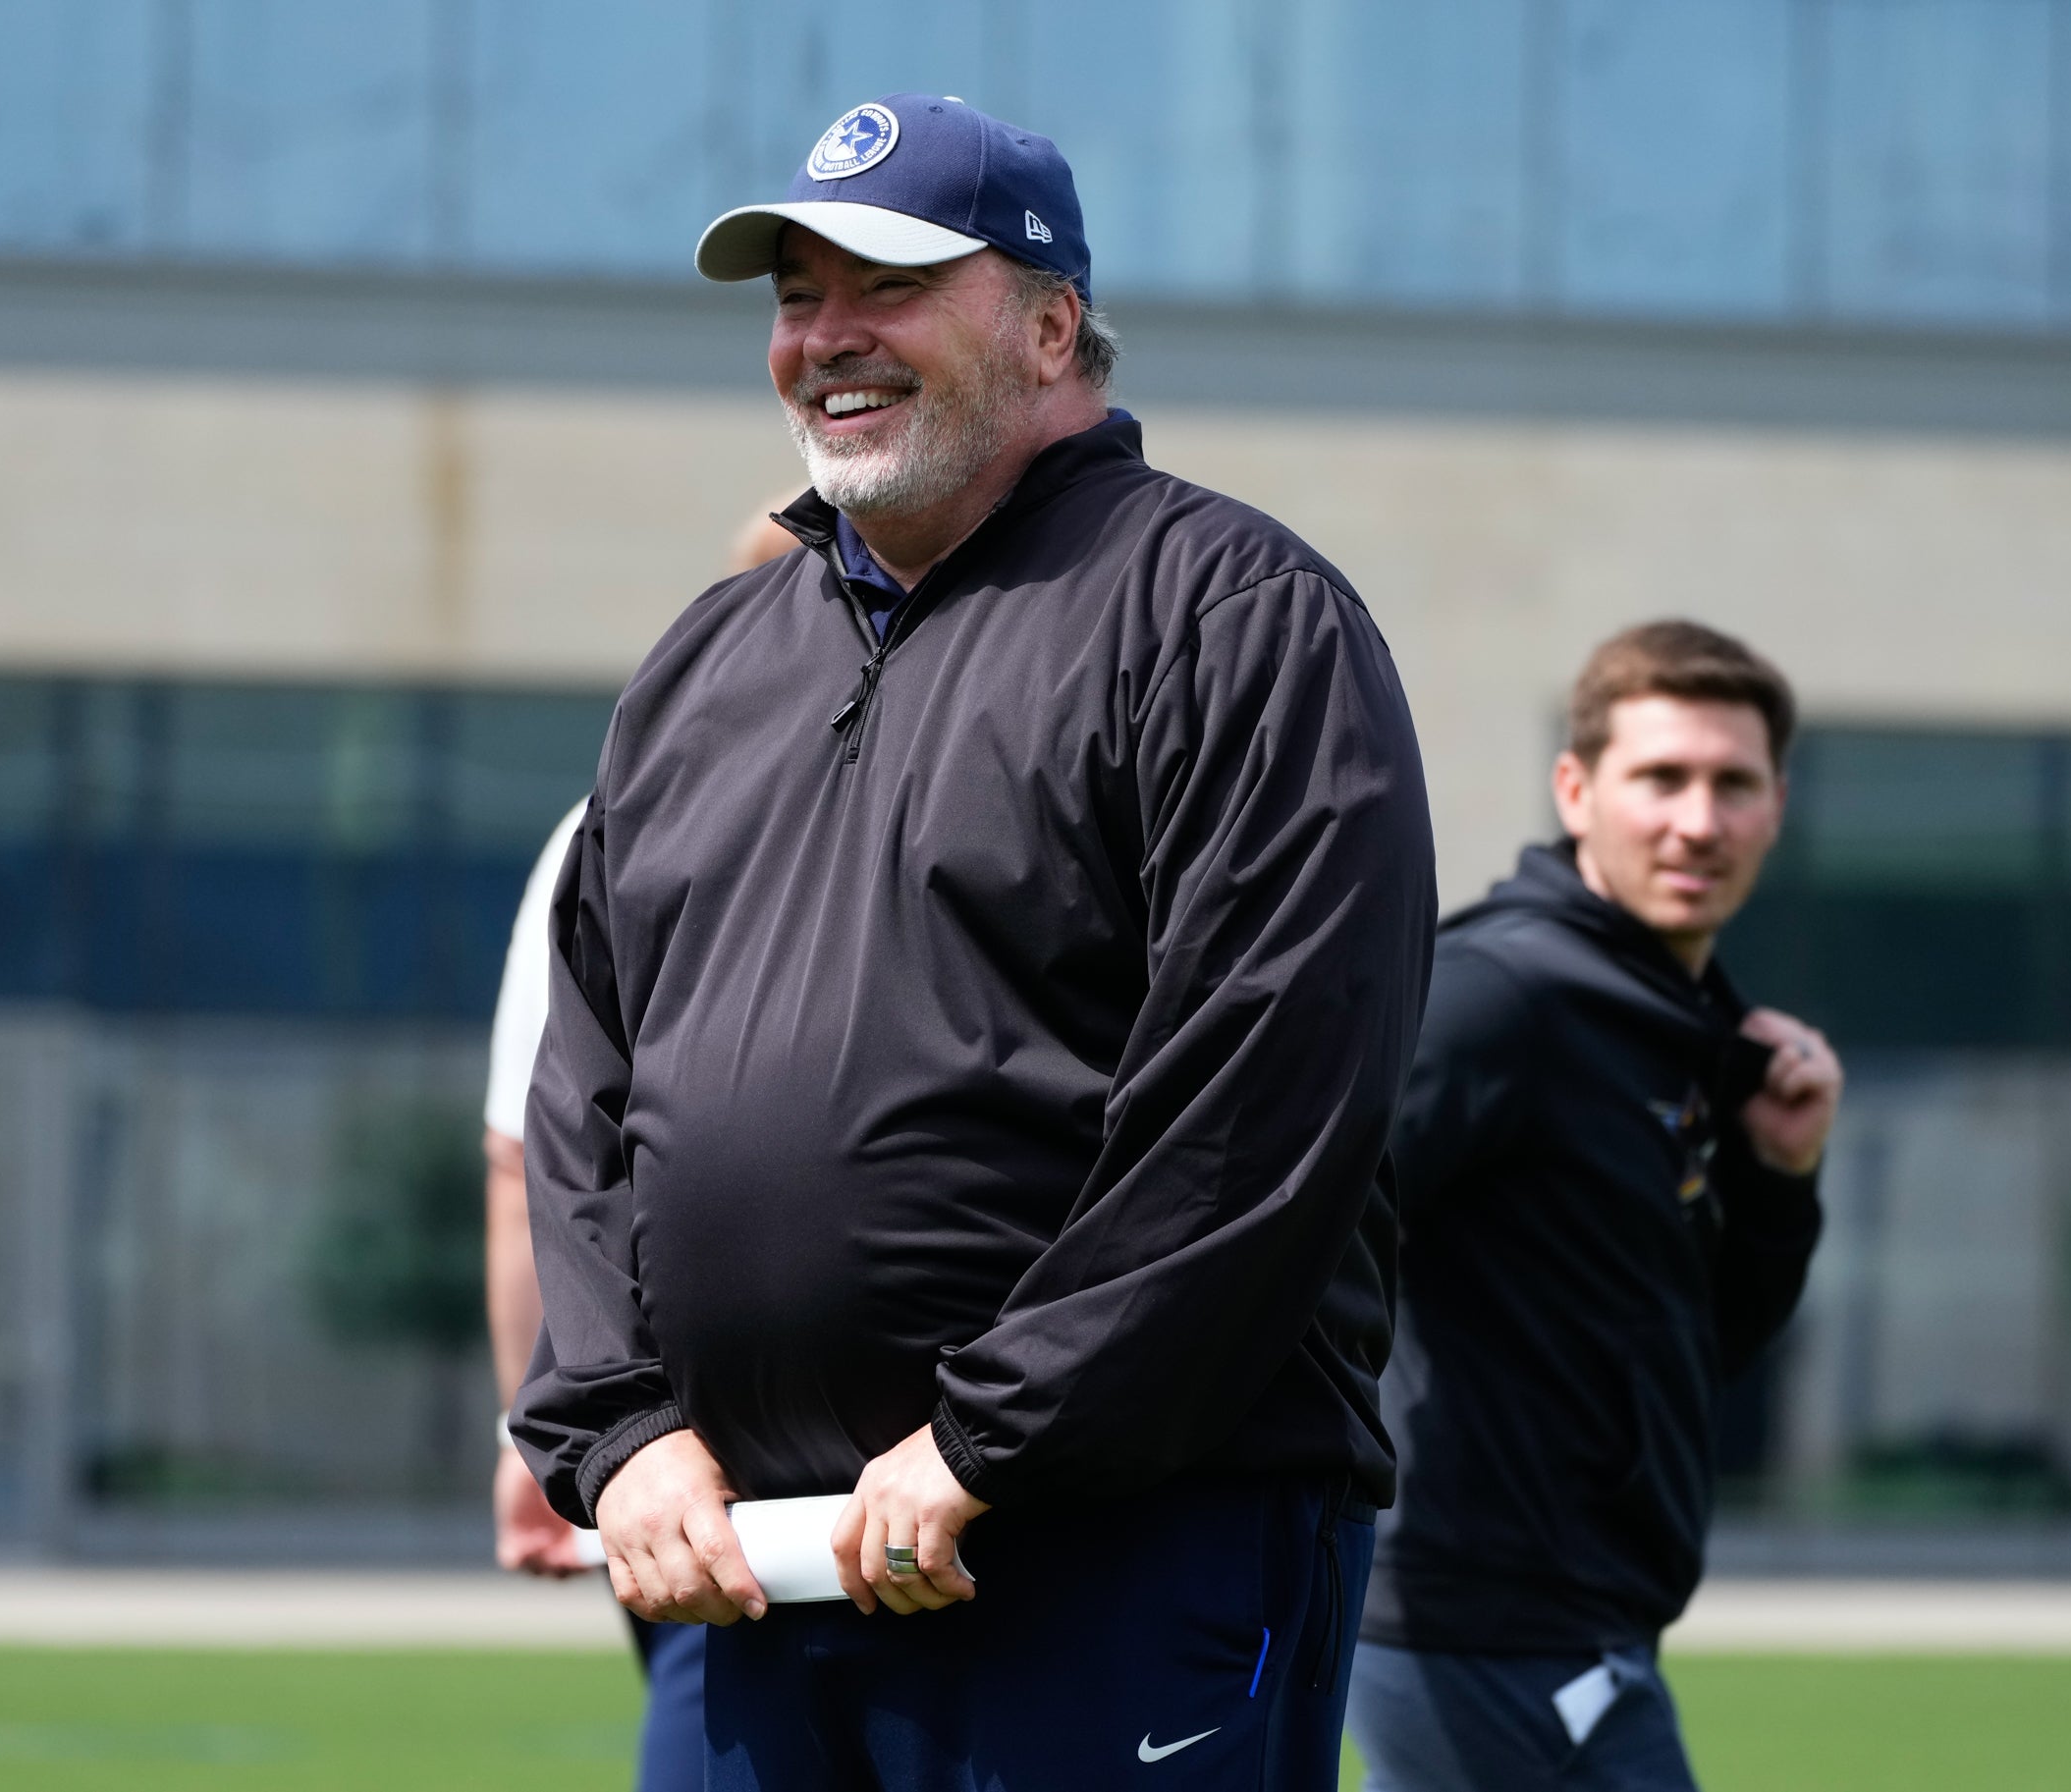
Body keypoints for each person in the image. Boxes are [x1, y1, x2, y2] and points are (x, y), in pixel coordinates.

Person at [512, 92, 1436, 1790]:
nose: (824, 339)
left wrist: (993, 1435)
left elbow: (1261, 1106)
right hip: (755, 1573)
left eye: (883, 284)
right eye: (794, 295)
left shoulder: (1231, 618)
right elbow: (583, 1093)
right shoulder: (707, 663)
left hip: (1118, 1552)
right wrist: (616, 1429)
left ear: (1048, 324)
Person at [1348, 622, 1840, 1792]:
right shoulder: (1499, 996)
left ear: (1776, 805)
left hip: (1578, 1620)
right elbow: (1292, 1231)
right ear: (1575, 790)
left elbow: (1694, 1339)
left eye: (1732, 783)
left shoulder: (1675, 1031)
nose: (1696, 820)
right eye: (1659, 777)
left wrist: (1777, 1178)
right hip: (1473, 1625)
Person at [484, 507, 799, 1792]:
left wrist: (531, 1430)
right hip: (696, 1461)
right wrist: (554, 1431)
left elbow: (525, 1171)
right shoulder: (618, 826)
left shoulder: (607, 821)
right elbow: (536, 1159)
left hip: (709, 1451)